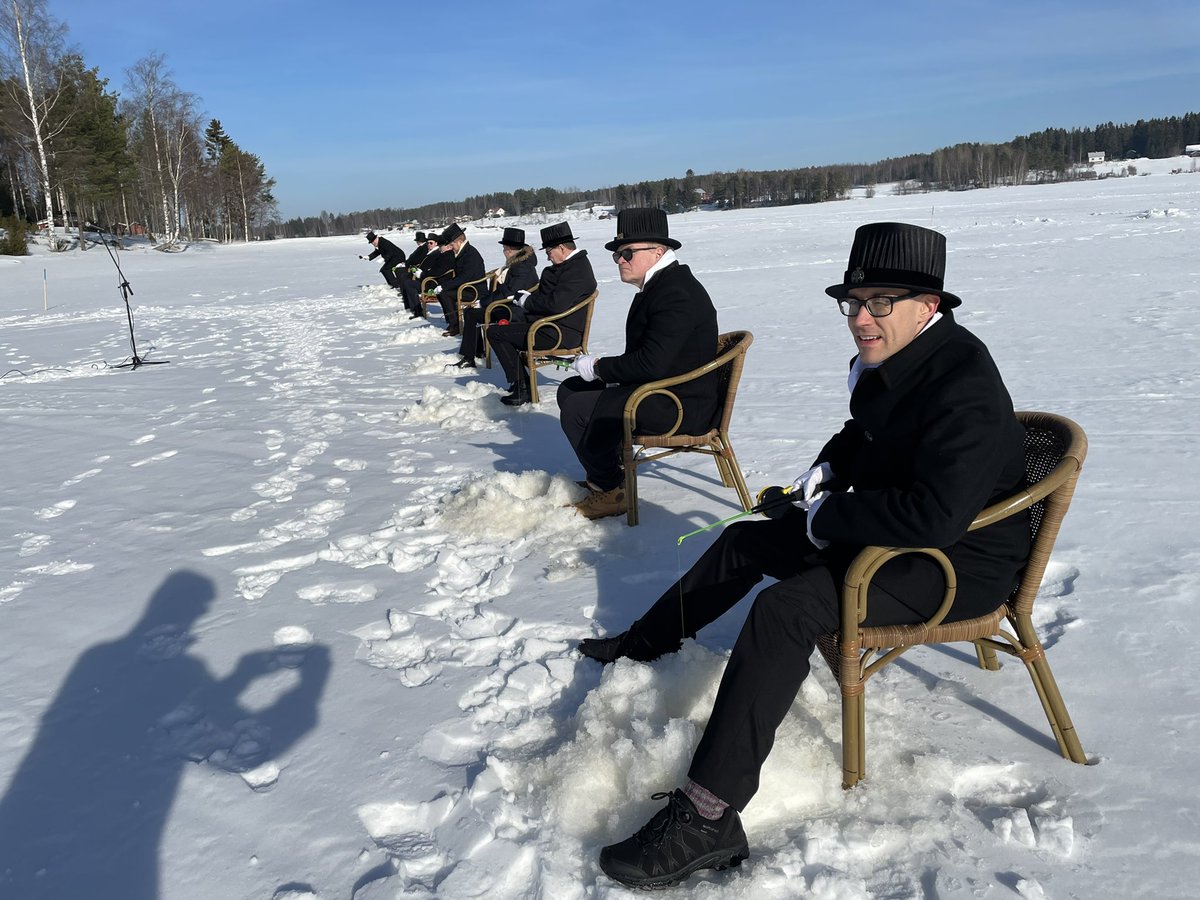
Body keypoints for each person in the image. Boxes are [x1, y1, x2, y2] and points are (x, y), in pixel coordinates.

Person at [580, 222, 1032, 890]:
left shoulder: (961, 382)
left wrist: (828, 518)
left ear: (928, 305)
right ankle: (645, 644)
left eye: (880, 303)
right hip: (892, 534)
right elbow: (863, 432)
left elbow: (935, 518)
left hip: (951, 566)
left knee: (784, 609)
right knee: (746, 539)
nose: (861, 319)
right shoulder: (902, 355)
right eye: (853, 303)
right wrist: (825, 472)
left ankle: (708, 817)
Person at [557, 208, 718, 520]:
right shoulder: (662, 286)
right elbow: (653, 359)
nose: (620, 260)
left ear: (658, 251)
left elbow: (652, 363)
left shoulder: (676, 293)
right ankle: (607, 473)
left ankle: (611, 490)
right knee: (571, 389)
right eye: (617, 254)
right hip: (661, 389)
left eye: (627, 252)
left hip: (679, 403)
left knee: (578, 408)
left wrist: (600, 367)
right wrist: (600, 370)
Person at [487, 222, 597, 405]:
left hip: (559, 333)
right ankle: (521, 383)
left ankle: (522, 387)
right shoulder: (569, 266)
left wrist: (527, 301)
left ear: (561, 248)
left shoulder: (577, 270)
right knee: (504, 325)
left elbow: (555, 304)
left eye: (548, 252)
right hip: (548, 326)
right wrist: (527, 298)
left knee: (495, 333)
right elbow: (549, 297)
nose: (547, 257)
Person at [454, 226, 540, 367]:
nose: (503, 251)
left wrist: (483, 303)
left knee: (471, 314)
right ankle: (476, 351)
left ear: (509, 250)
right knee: (471, 312)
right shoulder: (519, 263)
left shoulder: (522, 267)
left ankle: (470, 357)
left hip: (515, 310)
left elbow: (509, 292)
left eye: (504, 248)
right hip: (509, 305)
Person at [427, 222, 486, 337]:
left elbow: (465, 277)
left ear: (459, 241)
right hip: (467, 287)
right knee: (443, 292)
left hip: (475, 290)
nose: (451, 247)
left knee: (445, 293)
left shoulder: (470, 254)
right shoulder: (463, 252)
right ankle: (452, 321)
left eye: (452, 244)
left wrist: (444, 286)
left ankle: (455, 325)